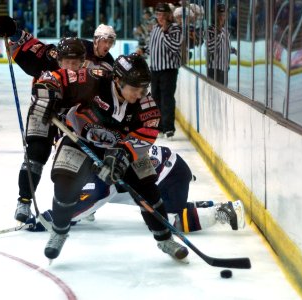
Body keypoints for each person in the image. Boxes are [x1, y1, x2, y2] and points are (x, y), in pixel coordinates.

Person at [33, 53, 189, 262]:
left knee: (148, 188)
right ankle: (59, 232)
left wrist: (124, 154)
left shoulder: (146, 103)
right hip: (80, 138)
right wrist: (47, 94)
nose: (140, 94)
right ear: (118, 80)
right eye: (135, 88)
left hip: (122, 147)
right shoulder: (92, 79)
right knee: (64, 184)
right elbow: (55, 77)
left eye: (143, 88)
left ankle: (165, 239)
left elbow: (147, 132)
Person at [0, 16, 116, 224]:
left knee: (76, 160)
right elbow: (31, 45)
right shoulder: (55, 55)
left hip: (71, 117)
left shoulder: (98, 70)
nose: (71, 66)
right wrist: (14, 32)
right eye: (66, 62)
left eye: (75, 63)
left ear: (83, 61)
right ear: (58, 59)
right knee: (36, 154)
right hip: (42, 111)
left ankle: (79, 202)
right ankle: (23, 202)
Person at [34, 144, 245, 233]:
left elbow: (94, 199)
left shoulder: (104, 171)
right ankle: (203, 205)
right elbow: (87, 200)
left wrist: (55, 218)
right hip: (168, 169)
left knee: (167, 221)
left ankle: (224, 213)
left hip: (170, 176)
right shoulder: (95, 159)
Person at [148, 2, 182, 140]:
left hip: (168, 70)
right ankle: (159, 127)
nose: (160, 17)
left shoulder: (174, 28)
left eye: (163, 14)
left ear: (168, 15)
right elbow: (152, 47)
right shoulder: (155, 28)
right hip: (155, 70)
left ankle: (168, 128)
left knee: (167, 99)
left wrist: (165, 32)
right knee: (155, 99)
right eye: (158, 14)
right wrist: (143, 50)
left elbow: (175, 47)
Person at [207, 3, 237, 86]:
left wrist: (233, 50)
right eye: (219, 15)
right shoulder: (210, 30)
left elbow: (224, 46)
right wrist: (219, 31)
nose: (221, 17)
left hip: (224, 69)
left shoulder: (226, 31)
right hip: (214, 70)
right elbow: (211, 47)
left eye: (223, 15)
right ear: (215, 16)